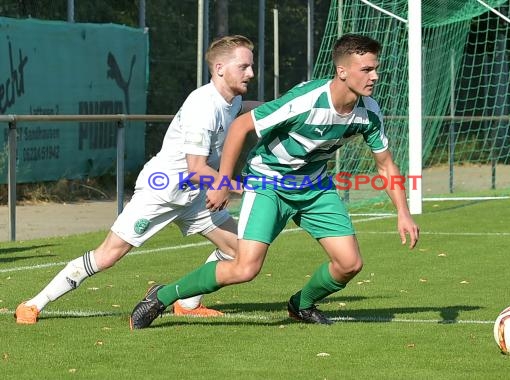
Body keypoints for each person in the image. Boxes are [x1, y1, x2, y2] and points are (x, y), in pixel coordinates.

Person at [129, 33, 420, 329]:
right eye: (367, 70)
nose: (375, 76)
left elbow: (385, 165)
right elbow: (241, 125)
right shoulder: (305, 101)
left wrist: (403, 212)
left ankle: (302, 305)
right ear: (342, 71)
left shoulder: (369, 112)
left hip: (314, 187)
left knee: (350, 264)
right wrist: (222, 182)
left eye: (375, 69)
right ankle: (161, 296)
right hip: (268, 182)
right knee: (245, 268)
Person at [15, 35, 257, 324]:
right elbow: (195, 168)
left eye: (250, 67)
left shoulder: (232, 100)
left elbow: (243, 109)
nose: (250, 74)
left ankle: (188, 303)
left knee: (240, 250)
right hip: (163, 192)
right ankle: (33, 304)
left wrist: (284, 105)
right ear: (219, 68)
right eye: (243, 67)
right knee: (107, 256)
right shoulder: (202, 106)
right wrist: (241, 186)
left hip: (196, 197)